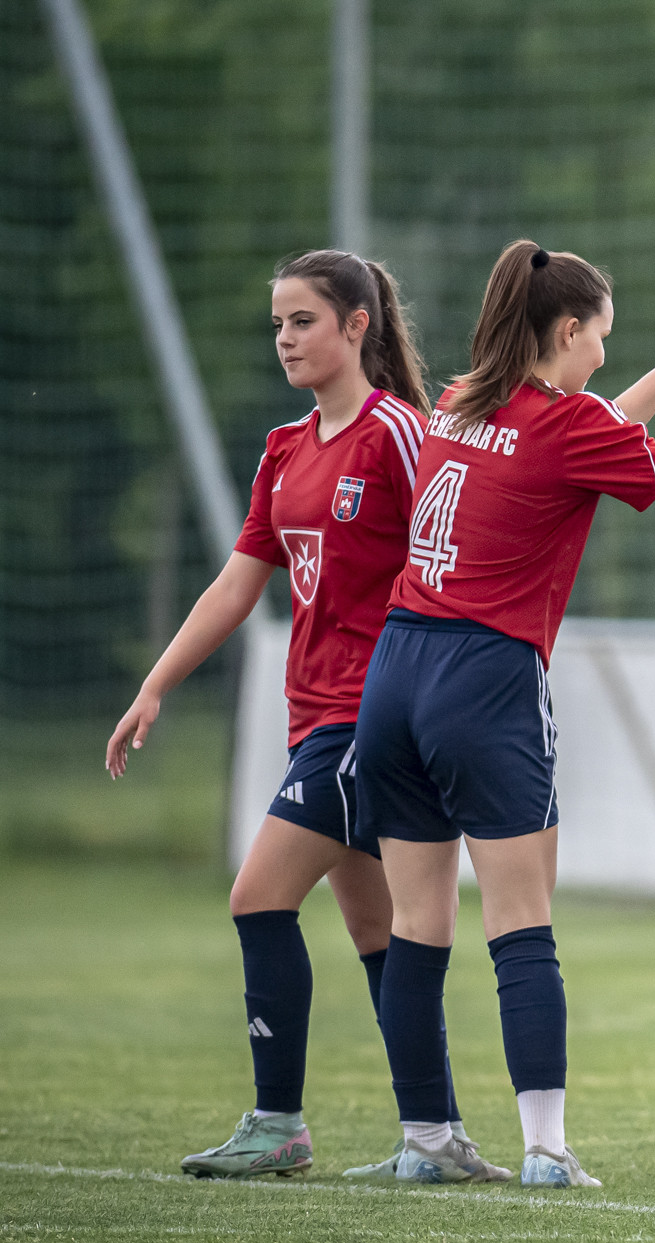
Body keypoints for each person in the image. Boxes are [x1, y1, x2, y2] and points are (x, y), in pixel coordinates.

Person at [352, 241, 655, 1188]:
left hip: (397, 672)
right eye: (600, 340)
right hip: (483, 678)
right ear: (570, 329)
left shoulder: (464, 399)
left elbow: (580, 443)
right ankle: (545, 1150)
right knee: (521, 923)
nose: (602, 357)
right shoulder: (567, 424)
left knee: (416, 923)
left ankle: (426, 1142)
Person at [104, 250, 501, 1179]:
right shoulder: (285, 449)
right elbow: (237, 585)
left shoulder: (400, 432)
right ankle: (434, 1137)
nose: (285, 339)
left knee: (257, 897)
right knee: (381, 936)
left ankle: (278, 1122)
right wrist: (155, 684)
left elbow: (460, 545)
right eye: (278, 324)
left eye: (303, 321)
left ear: (357, 325)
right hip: (313, 716)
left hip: (371, 718)